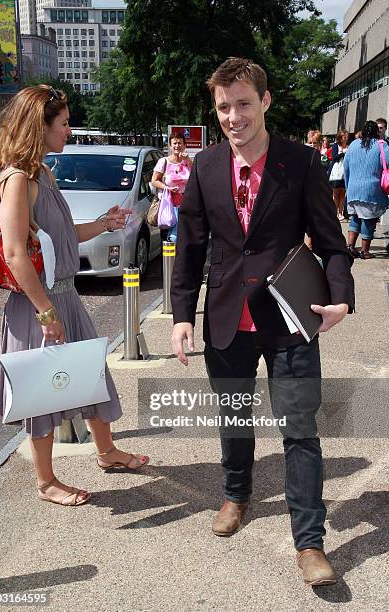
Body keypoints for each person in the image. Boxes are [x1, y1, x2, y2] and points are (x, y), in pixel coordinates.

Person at [170, 57, 354, 586]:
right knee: (233, 418)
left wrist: (340, 297)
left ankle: (310, 542)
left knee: (299, 429)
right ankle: (236, 494)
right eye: (224, 107)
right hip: (227, 318)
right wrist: (183, 313)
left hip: (289, 320)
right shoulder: (204, 167)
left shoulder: (300, 164)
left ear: (265, 102)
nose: (234, 116)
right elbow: (190, 248)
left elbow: (332, 242)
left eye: (244, 103)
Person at [0, 85, 149, 507]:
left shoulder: (43, 172)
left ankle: (107, 453)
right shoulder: (18, 179)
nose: (69, 128)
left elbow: (62, 238)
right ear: (37, 126)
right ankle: (46, 482)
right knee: (42, 392)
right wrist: (46, 313)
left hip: (64, 297)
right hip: (39, 305)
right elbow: (14, 253)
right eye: (62, 123)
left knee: (92, 378)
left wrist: (103, 223)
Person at [344, 120, 389, 259]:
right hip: (371, 190)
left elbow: (346, 167)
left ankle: (350, 246)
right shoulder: (382, 145)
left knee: (356, 218)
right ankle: (365, 251)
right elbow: (386, 163)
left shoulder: (353, 144)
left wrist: (348, 186)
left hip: (353, 188)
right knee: (369, 220)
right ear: (376, 131)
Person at [151, 132, 192, 242]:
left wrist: (188, 161)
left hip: (185, 206)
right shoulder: (164, 161)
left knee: (184, 237)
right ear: (170, 145)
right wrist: (167, 188)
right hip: (168, 205)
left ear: (184, 145)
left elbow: (196, 179)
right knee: (170, 238)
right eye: (174, 143)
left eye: (180, 143)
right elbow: (154, 181)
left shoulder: (188, 162)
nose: (177, 146)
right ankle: (169, 258)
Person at [329, 129, 349, 221]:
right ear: (340, 137)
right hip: (336, 172)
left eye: (346, 136)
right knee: (336, 194)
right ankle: (334, 212)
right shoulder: (335, 146)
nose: (346, 138)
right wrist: (343, 154)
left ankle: (341, 212)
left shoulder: (349, 146)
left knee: (342, 194)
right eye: (344, 136)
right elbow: (334, 158)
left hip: (345, 172)